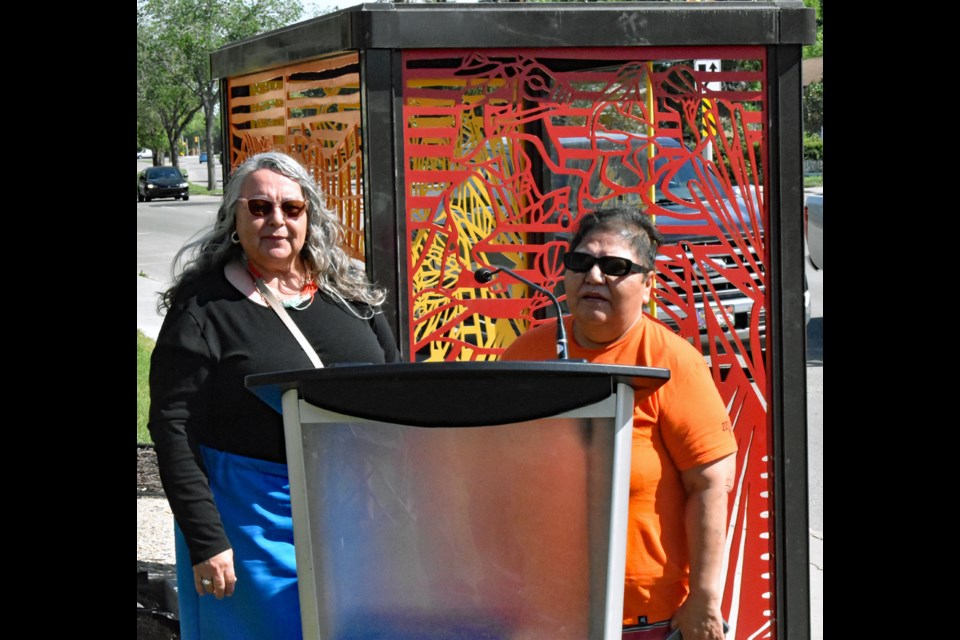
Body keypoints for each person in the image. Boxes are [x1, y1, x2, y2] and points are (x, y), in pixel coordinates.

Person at [149, 151, 401, 640]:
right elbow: (173, 427)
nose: (277, 221)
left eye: (292, 208)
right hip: (252, 524)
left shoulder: (349, 291)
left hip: (357, 512)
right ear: (234, 218)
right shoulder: (204, 308)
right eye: (259, 207)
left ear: (311, 216)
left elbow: (393, 386)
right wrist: (207, 540)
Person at [500, 207, 737, 640]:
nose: (593, 276)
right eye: (580, 262)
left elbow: (710, 484)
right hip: (541, 609)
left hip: (648, 618)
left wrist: (704, 597)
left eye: (614, 267)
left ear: (647, 285)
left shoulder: (671, 361)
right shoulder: (526, 353)